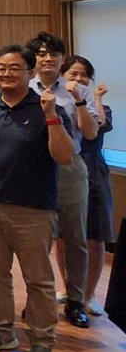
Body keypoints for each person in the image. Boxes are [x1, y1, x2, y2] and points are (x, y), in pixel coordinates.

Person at [0, 45, 76, 352]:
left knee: (38, 280)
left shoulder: (46, 107)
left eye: (14, 68)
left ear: (30, 73)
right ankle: (2, 333)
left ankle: (42, 341)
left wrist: (52, 116)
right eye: (1, 68)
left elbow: (64, 156)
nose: (6, 73)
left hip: (33, 209)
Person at [26, 32, 100, 328]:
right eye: (42, 53)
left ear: (61, 59)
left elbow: (92, 132)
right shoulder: (23, 86)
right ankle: (37, 300)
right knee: (36, 240)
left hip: (70, 169)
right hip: (31, 168)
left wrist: (80, 101)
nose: (47, 58)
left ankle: (75, 300)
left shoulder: (74, 89)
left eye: (53, 54)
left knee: (75, 239)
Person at [61, 56, 113, 317]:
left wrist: (94, 98)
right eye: (73, 73)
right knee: (64, 237)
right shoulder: (57, 103)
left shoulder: (95, 105)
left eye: (84, 75)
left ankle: (88, 294)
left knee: (94, 236)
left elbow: (97, 127)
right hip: (65, 172)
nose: (78, 79)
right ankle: (69, 289)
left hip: (93, 174)